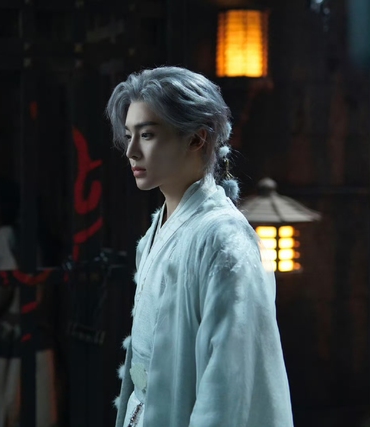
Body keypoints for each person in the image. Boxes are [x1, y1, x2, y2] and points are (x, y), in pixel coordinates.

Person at [106, 66, 294, 427]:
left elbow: (229, 382)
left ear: (197, 139)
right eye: (129, 135)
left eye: (147, 135)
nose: (131, 151)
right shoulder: (160, 227)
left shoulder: (225, 240)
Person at [0, 176, 58, 427]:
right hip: (39, 336)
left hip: (10, 339)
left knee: (3, 411)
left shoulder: (5, 235)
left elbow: (2, 286)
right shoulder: (38, 236)